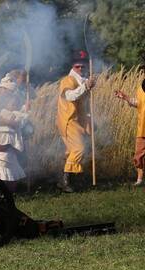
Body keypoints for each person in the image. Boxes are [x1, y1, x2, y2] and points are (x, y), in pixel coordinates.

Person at [56, 51, 96, 192]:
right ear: (73, 66)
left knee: (73, 151)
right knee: (79, 149)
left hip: (79, 120)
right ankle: (64, 181)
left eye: (83, 65)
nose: (81, 68)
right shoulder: (67, 80)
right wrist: (86, 87)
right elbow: (71, 96)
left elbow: (83, 103)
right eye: (78, 66)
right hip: (69, 120)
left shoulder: (82, 80)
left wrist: (88, 86)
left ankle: (73, 180)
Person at [0, 75, 28, 192]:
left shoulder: (11, 112)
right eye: (12, 103)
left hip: (9, 143)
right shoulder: (3, 111)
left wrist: (25, 109)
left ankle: (8, 190)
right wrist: (21, 116)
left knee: (10, 165)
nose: (14, 105)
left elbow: (20, 118)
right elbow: (15, 121)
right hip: (2, 141)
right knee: (2, 164)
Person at [114, 78, 145, 185]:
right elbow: (139, 103)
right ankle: (140, 180)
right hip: (142, 127)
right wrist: (125, 97)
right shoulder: (141, 88)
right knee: (138, 156)